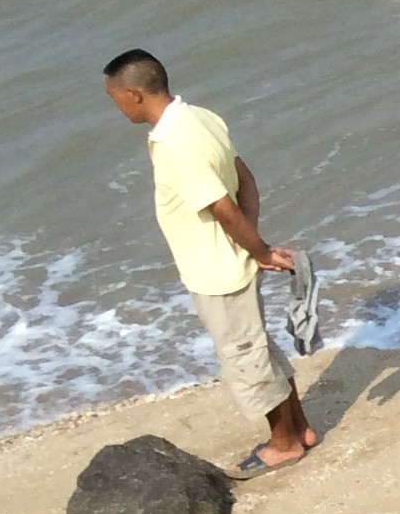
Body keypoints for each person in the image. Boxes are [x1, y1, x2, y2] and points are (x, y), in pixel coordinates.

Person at [101, 49, 314, 472]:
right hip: (231, 259)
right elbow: (245, 180)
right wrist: (252, 246)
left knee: (246, 357)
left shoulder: (175, 142)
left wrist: (258, 250)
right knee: (258, 348)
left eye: (115, 98)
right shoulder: (199, 118)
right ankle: (301, 428)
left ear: (134, 94)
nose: (116, 107)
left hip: (217, 271)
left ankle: (284, 443)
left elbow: (221, 206)